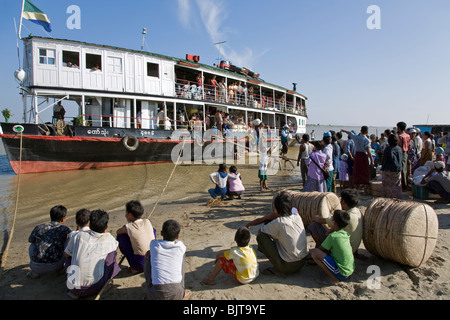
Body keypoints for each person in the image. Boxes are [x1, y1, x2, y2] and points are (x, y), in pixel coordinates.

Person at [65, 210, 120, 299]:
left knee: (69, 255)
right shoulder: (110, 239)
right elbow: (115, 247)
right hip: (95, 287)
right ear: (106, 226)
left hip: (72, 287)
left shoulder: (78, 235)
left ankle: (76, 291)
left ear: (89, 224)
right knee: (112, 254)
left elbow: (66, 255)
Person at [255, 191, 308, 276]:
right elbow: (295, 210)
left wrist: (269, 220)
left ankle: (278, 269)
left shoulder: (279, 222)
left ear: (276, 209)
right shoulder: (297, 216)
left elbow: (261, 231)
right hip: (302, 262)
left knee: (261, 236)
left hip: (288, 266)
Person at [308, 189, 363, 257]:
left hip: (343, 251)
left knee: (313, 225)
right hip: (353, 249)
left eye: (341, 200)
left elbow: (319, 220)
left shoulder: (345, 217)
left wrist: (316, 217)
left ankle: (323, 252)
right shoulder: (359, 212)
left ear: (344, 202)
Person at [144, 219, 189, 300]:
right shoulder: (180, 246)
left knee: (148, 255)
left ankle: (148, 289)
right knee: (182, 255)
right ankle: (182, 290)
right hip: (176, 294)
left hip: (154, 294)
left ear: (161, 233)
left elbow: (154, 241)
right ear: (177, 236)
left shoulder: (154, 244)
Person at [310, 210, 355, 285]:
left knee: (314, 253)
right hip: (350, 270)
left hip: (342, 273)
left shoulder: (333, 236)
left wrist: (309, 252)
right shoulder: (345, 234)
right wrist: (331, 230)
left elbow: (320, 249)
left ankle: (333, 279)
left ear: (333, 221)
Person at [28, 205, 72, 279]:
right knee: (69, 242)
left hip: (35, 266)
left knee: (32, 244)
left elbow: (30, 240)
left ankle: (35, 273)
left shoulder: (39, 227)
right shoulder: (65, 229)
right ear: (63, 219)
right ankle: (60, 270)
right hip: (55, 267)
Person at [116, 200, 155, 274]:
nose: (125, 215)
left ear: (130, 215)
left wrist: (126, 230)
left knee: (121, 236)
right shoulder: (147, 221)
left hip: (141, 262)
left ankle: (135, 268)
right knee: (152, 230)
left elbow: (118, 232)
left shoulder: (128, 227)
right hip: (153, 258)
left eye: (126, 213)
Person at [381, 134, 403, 200]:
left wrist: (383, 168)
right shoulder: (399, 149)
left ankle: (388, 198)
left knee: (387, 184)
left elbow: (384, 160)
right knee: (397, 184)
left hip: (388, 169)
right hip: (398, 169)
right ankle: (397, 197)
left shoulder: (388, 149)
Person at [397, 122, 411, 190]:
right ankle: (405, 184)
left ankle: (403, 185)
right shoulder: (407, 136)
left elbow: (398, 146)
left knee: (401, 169)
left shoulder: (400, 136)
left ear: (399, 127)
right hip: (405, 152)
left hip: (400, 152)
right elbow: (409, 145)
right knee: (404, 169)